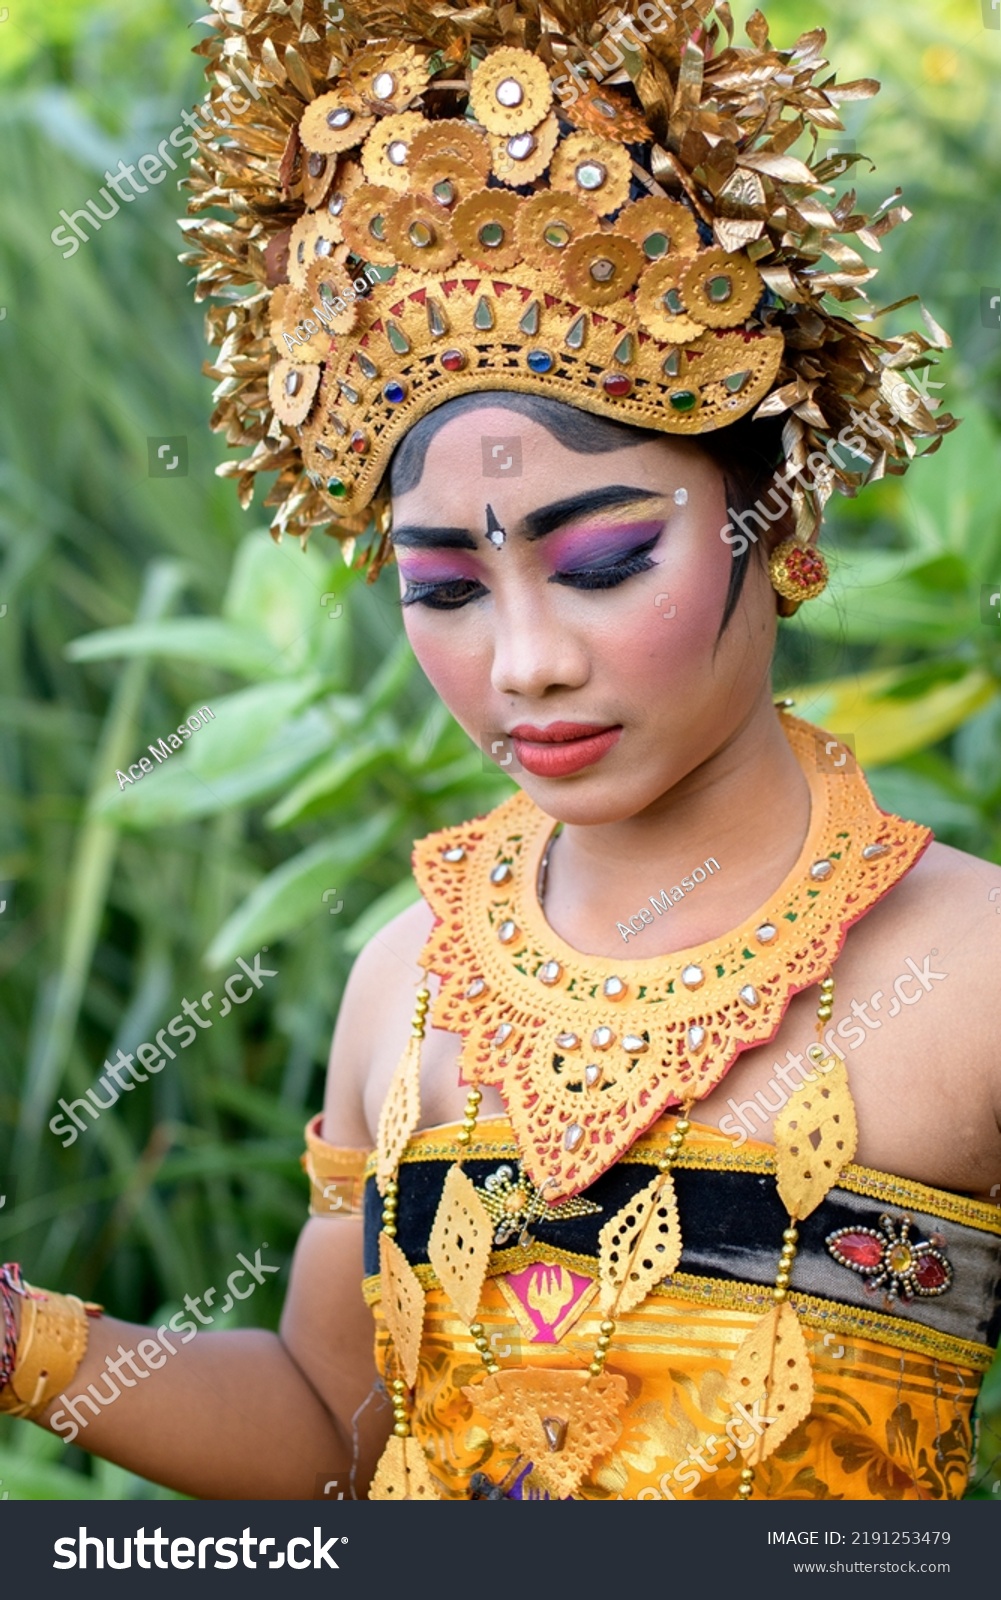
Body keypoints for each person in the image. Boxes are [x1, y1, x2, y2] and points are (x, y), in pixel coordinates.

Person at [3, 0, 999, 1502]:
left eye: (599, 562)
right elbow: (335, 1437)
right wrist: (20, 1340)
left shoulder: (972, 975)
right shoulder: (403, 976)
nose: (522, 661)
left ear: (774, 526)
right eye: (445, 590)